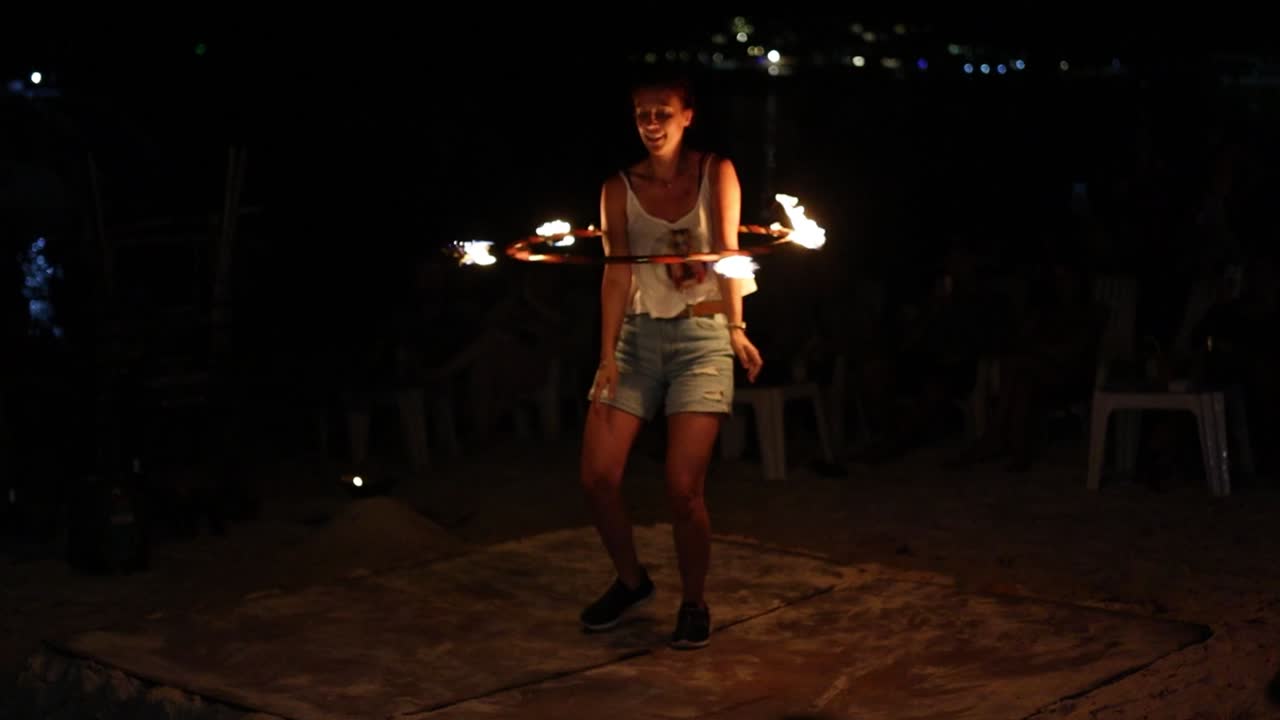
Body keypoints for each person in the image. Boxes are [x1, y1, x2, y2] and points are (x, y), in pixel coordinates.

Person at [577, 67, 763, 650]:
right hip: (637, 337)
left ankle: (694, 601)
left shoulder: (715, 172)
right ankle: (632, 582)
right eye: (642, 114)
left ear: (687, 116)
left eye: (663, 112)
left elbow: (731, 253)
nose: (651, 123)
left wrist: (736, 327)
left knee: (683, 489)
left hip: (701, 336)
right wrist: (606, 354)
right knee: (597, 477)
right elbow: (615, 276)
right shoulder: (618, 188)